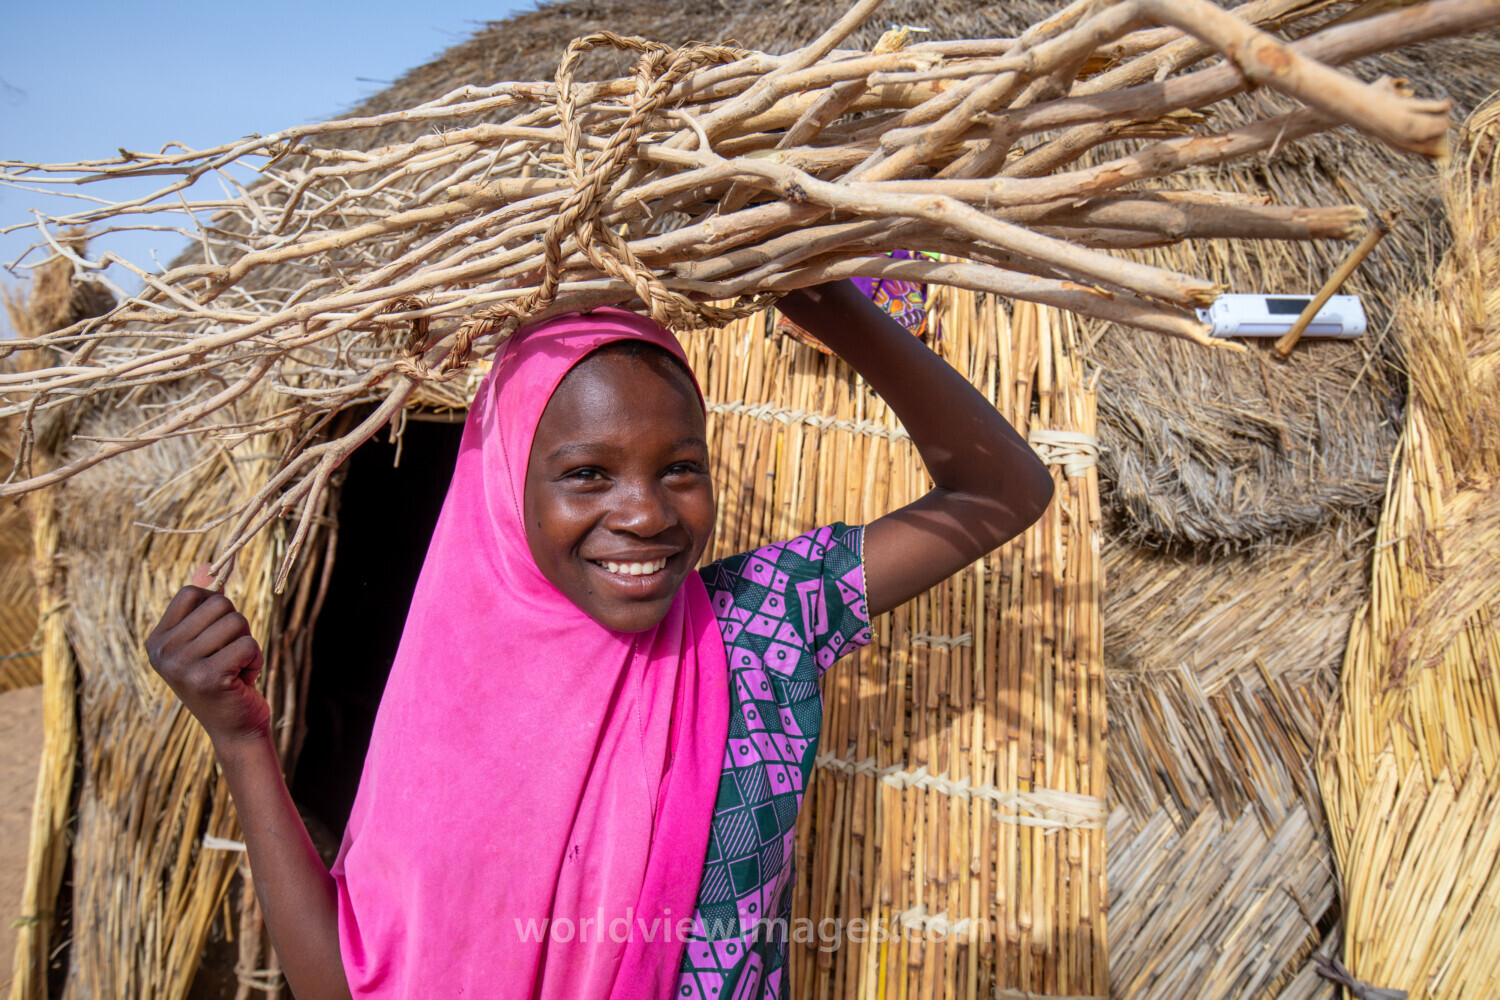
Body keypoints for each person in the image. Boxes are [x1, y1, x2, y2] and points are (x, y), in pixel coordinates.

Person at [146, 279, 1054, 999]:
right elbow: (351, 983)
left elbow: (1002, 493)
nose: (646, 514)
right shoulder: (446, 701)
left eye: (681, 469)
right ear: (508, 486)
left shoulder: (759, 625)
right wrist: (242, 741)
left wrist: (826, 303)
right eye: (588, 474)